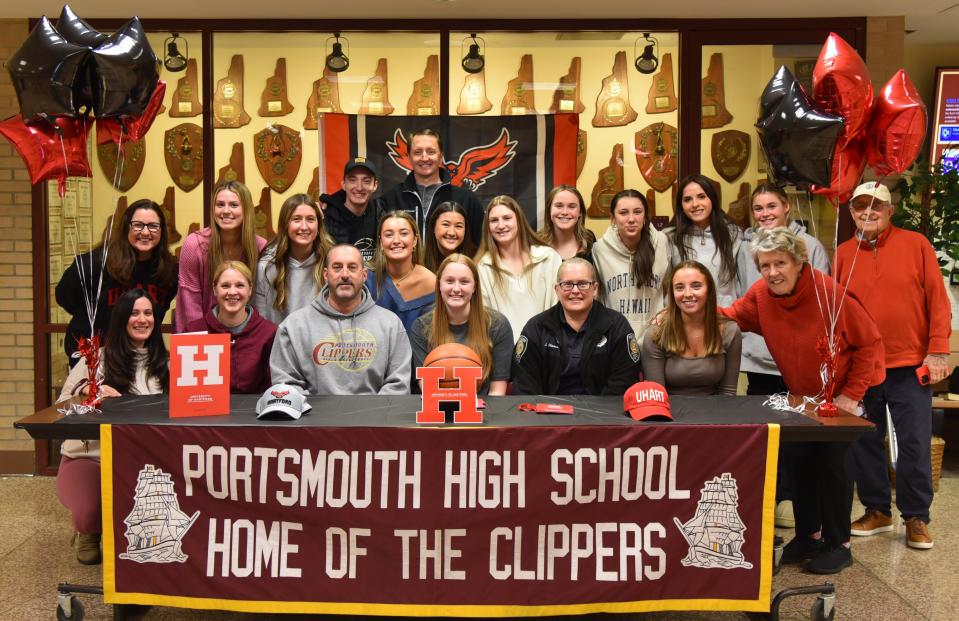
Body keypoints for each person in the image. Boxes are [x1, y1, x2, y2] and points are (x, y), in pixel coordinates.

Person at [723, 226, 885, 574]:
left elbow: (869, 342)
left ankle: (839, 544)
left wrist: (850, 395)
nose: (772, 273)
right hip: (800, 395)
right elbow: (734, 314)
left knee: (832, 465)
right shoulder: (761, 295)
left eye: (780, 263)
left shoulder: (827, 291)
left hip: (841, 393)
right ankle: (809, 535)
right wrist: (681, 314)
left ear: (798, 262)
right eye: (765, 266)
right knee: (799, 461)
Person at [836, 181, 952, 551]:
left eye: (876, 206)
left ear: (890, 210)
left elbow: (938, 300)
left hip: (909, 363)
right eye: (859, 207)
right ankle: (877, 510)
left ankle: (916, 516)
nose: (867, 212)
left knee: (914, 442)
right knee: (864, 440)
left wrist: (938, 351)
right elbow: (837, 311)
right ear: (852, 212)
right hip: (863, 366)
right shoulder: (842, 253)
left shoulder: (916, 244)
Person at [55, 289, 169, 565]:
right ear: (121, 319)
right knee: (88, 511)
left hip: (146, 460)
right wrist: (89, 395)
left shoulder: (168, 363)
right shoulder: (96, 360)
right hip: (92, 456)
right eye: (133, 313)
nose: (142, 319)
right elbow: (62, 408)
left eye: (148, 313)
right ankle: (88, 532)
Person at [270, 244, 411, 395]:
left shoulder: (391, 324)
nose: (345, 274)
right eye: (337, 267)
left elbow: (398, 384)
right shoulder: (293, 326)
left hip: (373, 417)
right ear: (325, 274)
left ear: (364, 275)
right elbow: (285, 385)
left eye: (352, 267)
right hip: (315, 417)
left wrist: (370, 415)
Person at [736, 183, 831, 396]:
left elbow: (822, 301)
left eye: (772, 206)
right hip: (760, 358)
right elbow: (741, 295)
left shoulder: (809, 245)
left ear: (786, 206)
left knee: (799, 423)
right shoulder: (745, 249)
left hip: (800, 355)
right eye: (758, 208)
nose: (765, 214)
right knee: (762, 424)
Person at [56, 199, 177, 361]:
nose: (146, 232)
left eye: (153, 226)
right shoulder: (96, 263)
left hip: (138, 357)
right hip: (92, 360)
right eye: (138, 225)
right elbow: (64, 297)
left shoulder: (169, 270)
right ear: (126, 227)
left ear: (162, 231)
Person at [511, 258, 641, 395]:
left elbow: (624, 381)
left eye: (583, 284)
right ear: (557, 289)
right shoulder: (536, 328)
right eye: (567, 284)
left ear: (595, 288)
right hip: (548, 412)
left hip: (604, 412)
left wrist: (601, 412)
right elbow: (525, 384)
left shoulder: (616, 326)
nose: (575, 290)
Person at [410, 254, 513, 395]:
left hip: (486, 411)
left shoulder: (497, 325)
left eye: (464, 282)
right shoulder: (421, 327)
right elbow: (427, 389)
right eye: (450, 281)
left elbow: (497, 391)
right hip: (438, 409)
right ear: (439, 284)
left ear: (475, 286)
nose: (456, 289)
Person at [174, 180, 267, 331]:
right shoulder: (194, 245)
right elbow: (189, 304)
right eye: (220, 205)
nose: (226, 211)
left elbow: (261, 301)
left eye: (234, 205)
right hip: (202, 336)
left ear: (246, 210)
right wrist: (202, 343)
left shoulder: (260, 247)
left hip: (246, 334)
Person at [642, 261, 741, 395]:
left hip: (715, 412)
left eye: (696, 286)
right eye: (679, 287)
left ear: (709, 290)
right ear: (672, 293)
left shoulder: (730, 331)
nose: (687, 294)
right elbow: (656, 396)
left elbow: (728, 393)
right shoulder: (656, 334)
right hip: (670, 413)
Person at [476, 195, 563, 342]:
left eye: (507, 218)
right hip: (505, 353)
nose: (501, 225)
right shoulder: (482, 267)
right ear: (487, 227)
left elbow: (559, 307)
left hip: (546, 349)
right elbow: (485, 318)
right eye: (494, 220)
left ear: (519, 220)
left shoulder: (549, 258)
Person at [380, 128, 485, 244]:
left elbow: (481, 245)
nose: (424, 158)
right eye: (418, 152)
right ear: (409, 157)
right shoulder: (391, 199)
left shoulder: (466, 199)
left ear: (440, 157)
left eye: (431, 152)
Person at [187, 261, 276, 394]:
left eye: (240, 285)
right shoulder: (193, 331)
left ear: (250, 289)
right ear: (214, 289)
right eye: (225, 286)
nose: (232, 292)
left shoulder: (269, 333)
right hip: (206, 411)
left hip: (251, 412)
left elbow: (272, 386)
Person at [592, 189, 670, 336]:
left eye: (637, 212)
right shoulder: (600, 249)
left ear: (646, 216)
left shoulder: (661, 242)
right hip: (615, 338)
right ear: (612, 218)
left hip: (654, 337)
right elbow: (596, 295)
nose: (631, 219)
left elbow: (672, 285)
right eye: (623, 213)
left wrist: (667, 312)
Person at [255, 194, 334, 324]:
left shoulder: (331, 261)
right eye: (296, 219)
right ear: (285, 224)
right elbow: (261, 319)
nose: (304, 227)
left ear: (319, 226)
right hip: (278, 341)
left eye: (310, 219)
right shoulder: (267, 266)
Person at [668, 174, 741, 306]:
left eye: (702, 197)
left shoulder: (733, 234)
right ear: (681, 206)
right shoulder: (671, 239)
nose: (695, 204)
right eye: (687, 199)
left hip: (725, 317)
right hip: (686, 318)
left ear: (712, 199)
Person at [366, 210, 436, 332]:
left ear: (414, 240)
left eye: (404, 234)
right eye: (389, 235)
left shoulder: (431, 282)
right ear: (381, 242)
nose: (396, 240)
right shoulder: (367, 278)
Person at [319, 157, 384, 264]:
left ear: (375, 185)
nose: (359, 187)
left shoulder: (381, 216)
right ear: (343, 184)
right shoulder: (326, 217)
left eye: (366, 181)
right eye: (352, 180)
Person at [537, 185, 595, 260]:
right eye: (559, 206)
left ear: (580, 212)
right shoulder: (536, 243)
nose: (565, 212)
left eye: (571, 207)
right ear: (549, 210)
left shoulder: (589, 239)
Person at [422, 201, 476, 273]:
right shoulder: (419, 262)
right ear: (433, 227)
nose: (452, 232)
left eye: (458, 226)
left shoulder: (477, 261)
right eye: (446, 225)